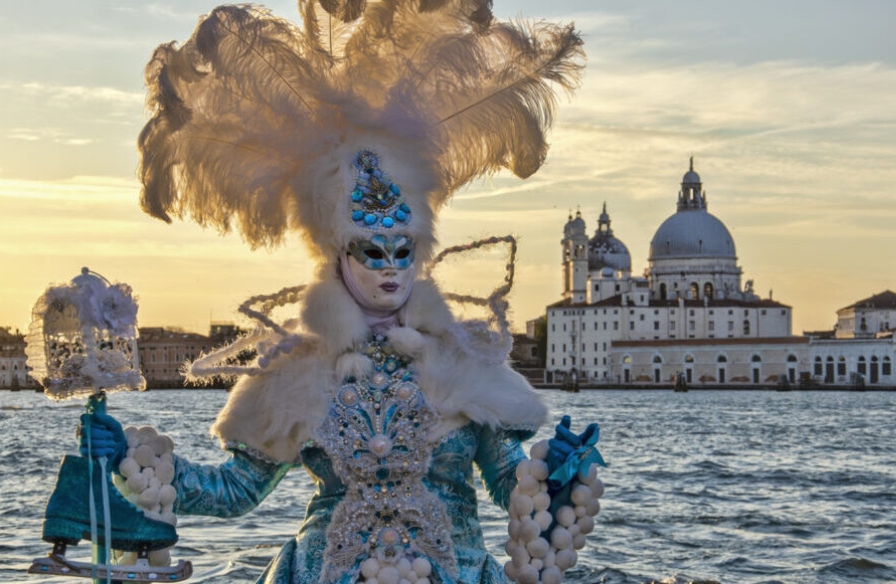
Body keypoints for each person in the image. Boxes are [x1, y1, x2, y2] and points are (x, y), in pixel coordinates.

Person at [81, 1, 593, 583]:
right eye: (372, 253)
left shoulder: (463, 359)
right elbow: (235, 491)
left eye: (404, 251)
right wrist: (130, 457)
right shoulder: (297, 371)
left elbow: (510, 486)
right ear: (338, 256)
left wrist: (560, 474)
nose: (390, 269)